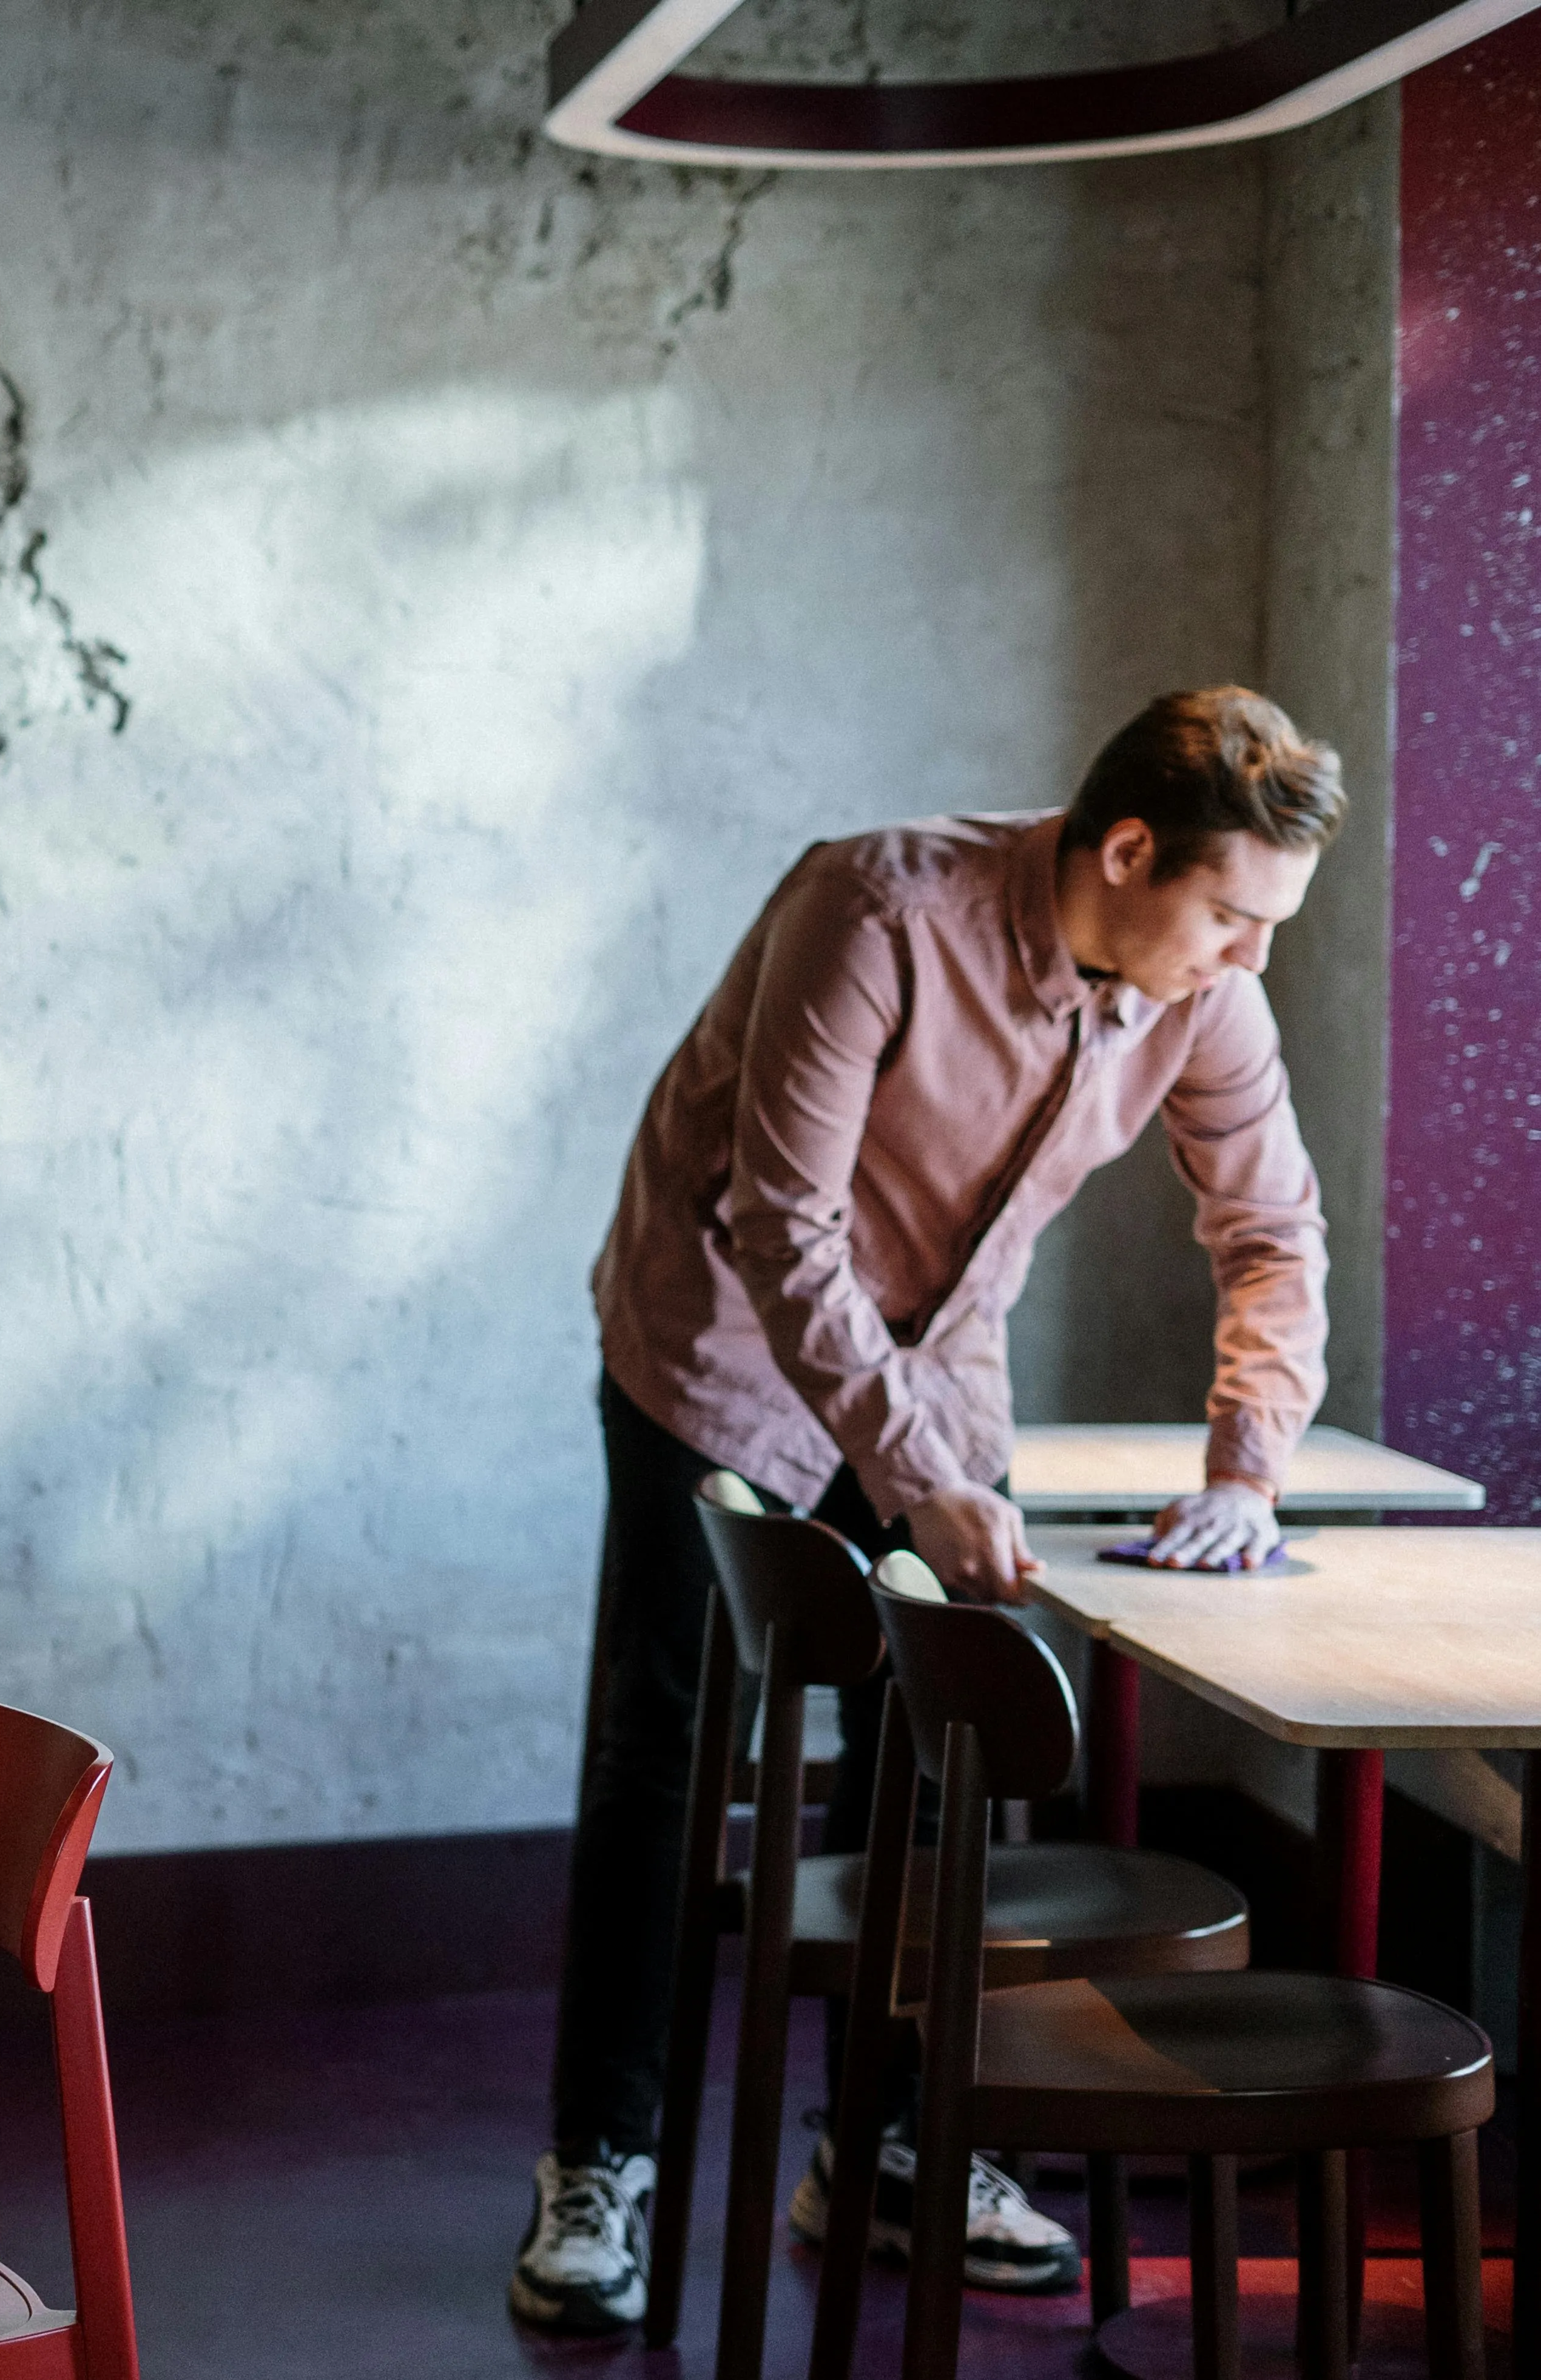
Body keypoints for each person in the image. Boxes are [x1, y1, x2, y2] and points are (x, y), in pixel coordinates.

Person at [508, 687, 1340, 2335]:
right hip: (722, 1335)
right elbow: (785, 1225)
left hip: (940, 1351)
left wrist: (1249, 1467)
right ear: (1125, 853)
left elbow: (1272, 1231)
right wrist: (924, 1488)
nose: (1254, 959)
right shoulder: (876, 906)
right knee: (667, 1751)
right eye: (1236, 914)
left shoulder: (1210, 995)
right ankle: (599, 2163)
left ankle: (883, 2145)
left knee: (937, 1757)